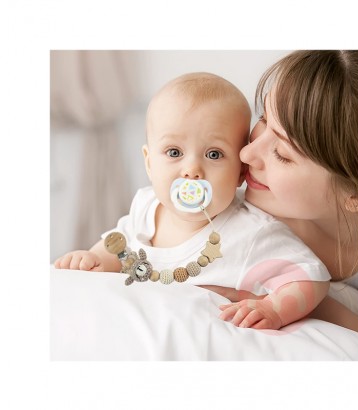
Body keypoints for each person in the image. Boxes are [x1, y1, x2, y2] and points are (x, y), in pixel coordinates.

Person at [54, 72, 331, 330]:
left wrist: (273, 309)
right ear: (149, 163)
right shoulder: (146, 206)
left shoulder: (252, 232)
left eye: (214, 154)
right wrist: (95, 258)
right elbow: (119, 246)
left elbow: (311, 277)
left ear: (240, 173)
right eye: (174, 152)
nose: (192, 170)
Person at [203, 50, 358, 333]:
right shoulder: (240, 228)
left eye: (282, 154)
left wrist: (291, 301)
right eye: (263, 119)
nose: (246, 153)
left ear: (356, 195)